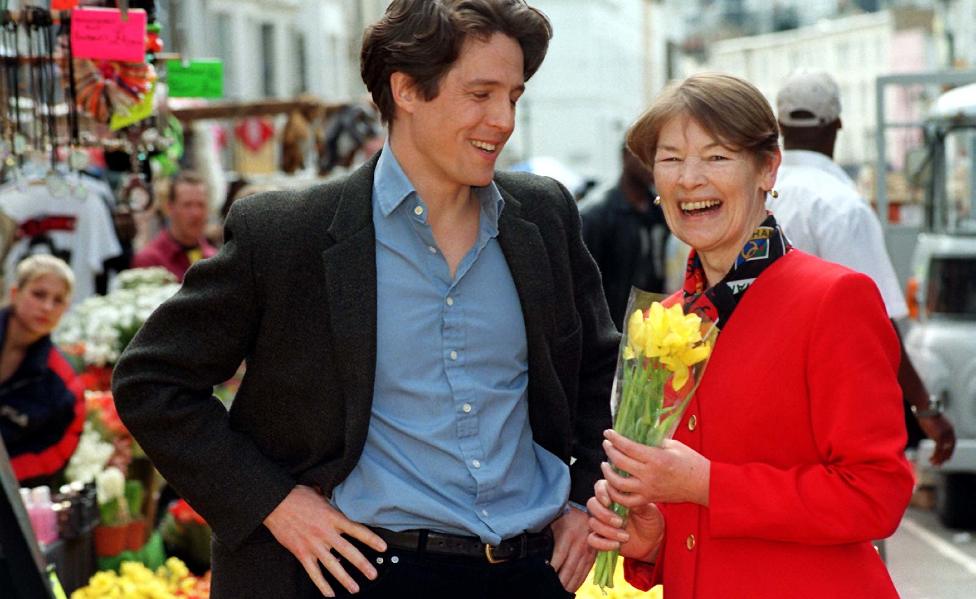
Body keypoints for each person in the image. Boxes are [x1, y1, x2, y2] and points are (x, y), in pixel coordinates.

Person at [112, 2, 618, 598]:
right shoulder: (287, 234)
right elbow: (151, 381)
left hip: (530, 572)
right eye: (480, 94)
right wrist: (272, 501)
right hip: (360, 574)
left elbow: (595, 375)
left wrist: (585, 497)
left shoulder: (545, 216)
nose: (504, 120)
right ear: (406, 89)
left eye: (514, 95)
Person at [585, 73, 914, 598]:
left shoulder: (835, 298)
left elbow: (876, 495)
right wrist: (652, 540)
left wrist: (704, 484)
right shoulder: (664, 321)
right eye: (670, 159)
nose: (689, 178)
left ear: (767, 168)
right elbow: (699, 535)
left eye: (716, 157)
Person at [770, 69, 956, 465]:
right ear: (837, 124)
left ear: (781, 125)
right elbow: (880, 319)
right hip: (828, 401)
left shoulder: (759, 193)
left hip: (764, 392)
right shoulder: (842, 206)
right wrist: (924, 407)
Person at [0, 255, 84, 488]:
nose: (47, 307)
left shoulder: (65, 385)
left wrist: (5, 474)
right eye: (39, 294)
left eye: (58, 301)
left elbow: (55, 453)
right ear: (15, 293)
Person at [581, 145, 669, 329]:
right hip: (611, 333)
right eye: (646, 157)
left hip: (652, 329)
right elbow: (583, 287)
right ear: (626, 156)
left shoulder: (660, 211)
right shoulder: (597, 214)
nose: (653, 165)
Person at [131, 171, 216, 281]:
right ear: (170, 207)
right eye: (187, 205)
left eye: (201, 205)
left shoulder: (215, 258)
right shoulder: (149, 262)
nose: (196, 213)